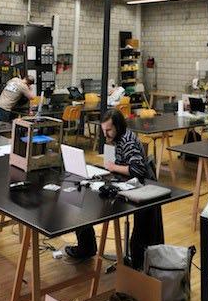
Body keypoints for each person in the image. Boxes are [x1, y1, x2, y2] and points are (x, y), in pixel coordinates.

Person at [65, 108, 163, 269]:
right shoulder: (119, 138)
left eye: (109, 130)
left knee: (90, 203)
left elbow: (137, 169)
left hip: (140, 189)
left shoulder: (128, 141)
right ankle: (87, 246)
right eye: (104, 130)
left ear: (118, 126)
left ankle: (88, 248)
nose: (106, 134)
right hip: (127, 184)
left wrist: (113, 167)